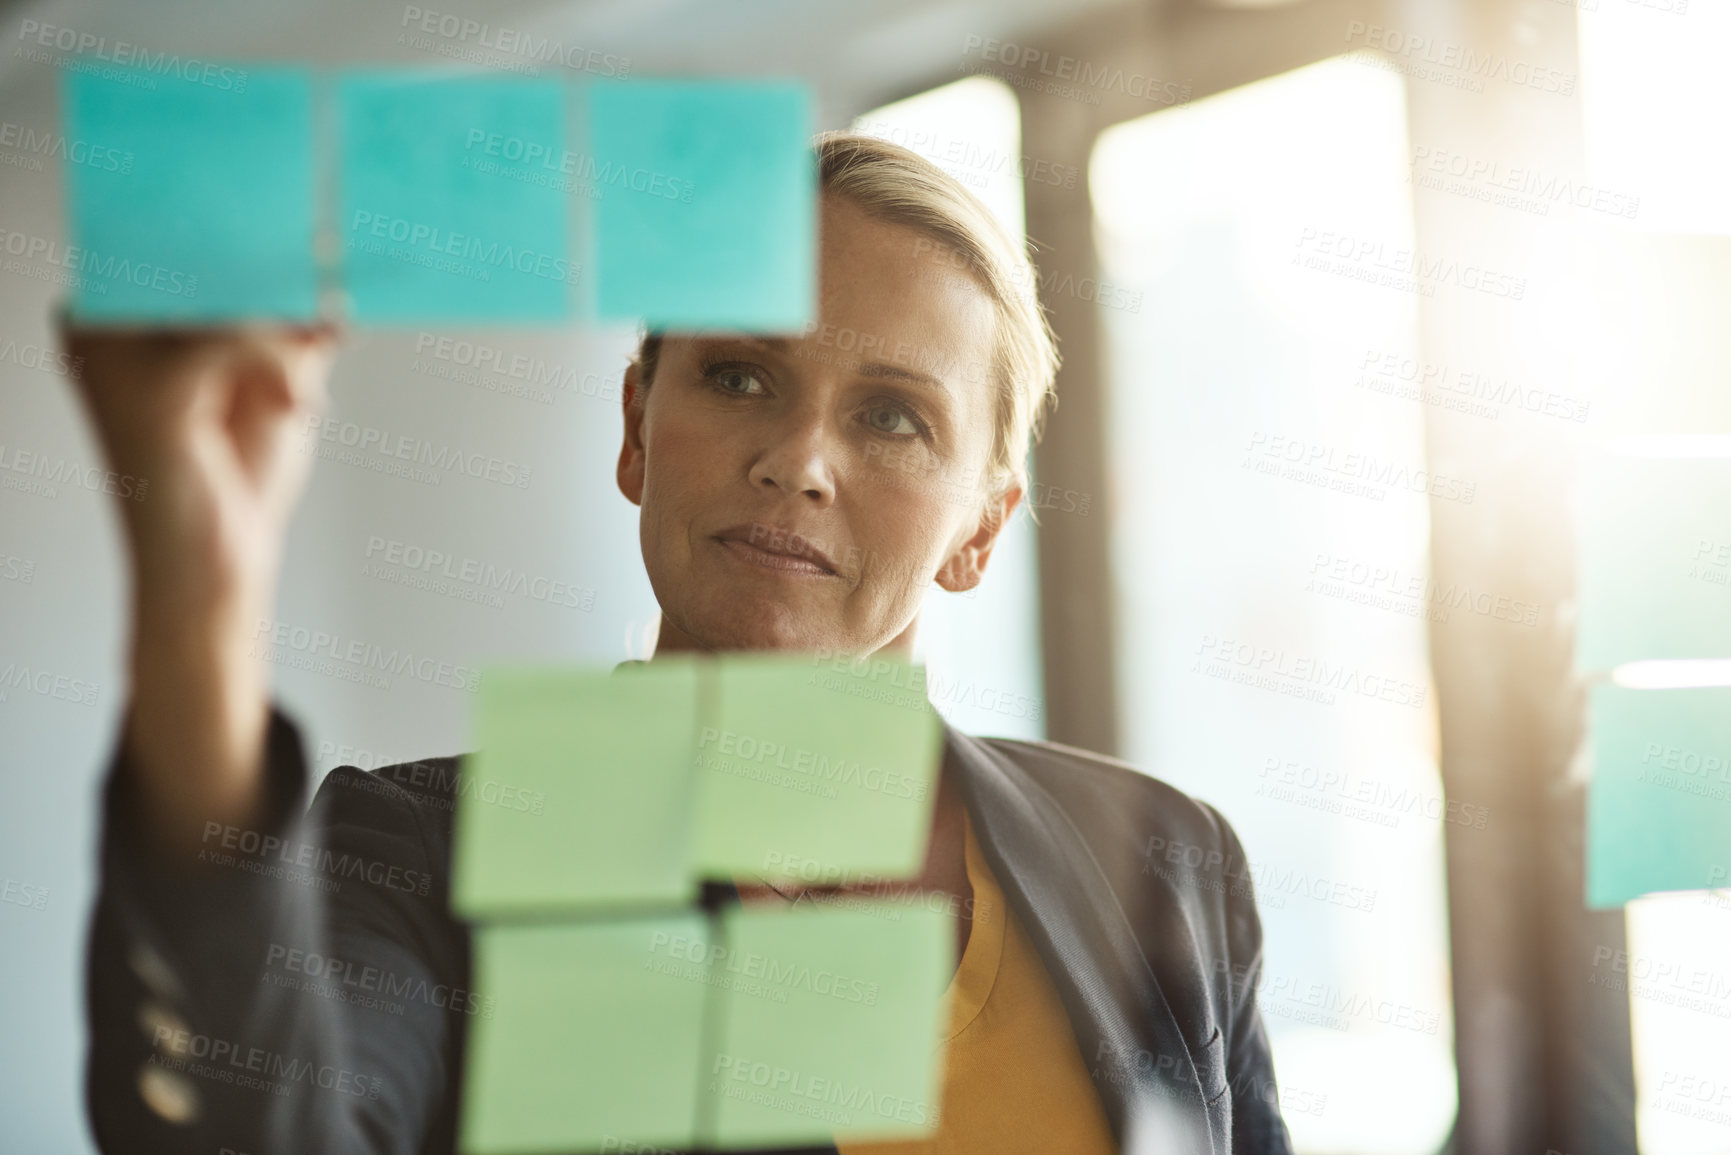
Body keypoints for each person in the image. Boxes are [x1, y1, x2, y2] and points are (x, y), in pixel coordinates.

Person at [71, 132, 1293, 1154]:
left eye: (892, 416)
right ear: (638, 429)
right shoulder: (415, 862)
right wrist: (203, 586)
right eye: (743, 377)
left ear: (982, 527)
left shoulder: (1169, 865)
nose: (798, 461)